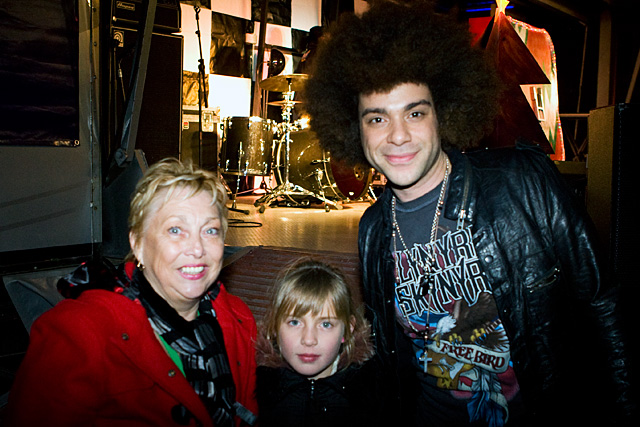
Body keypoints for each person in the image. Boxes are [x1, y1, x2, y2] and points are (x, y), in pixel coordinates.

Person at [303, 1, 635, 426]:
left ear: (444, 113)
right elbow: (395, 361)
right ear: (355, 129)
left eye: (415, 112)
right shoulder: (372, 230)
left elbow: (603, 305)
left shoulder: (522, 183)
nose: (398, 135)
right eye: (377, 118)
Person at [5, 158, 258, 426]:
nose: (197, 248)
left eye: (210, 230)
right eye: (175, 230)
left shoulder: (239, 319)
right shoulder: (78, 333)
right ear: (137, 244)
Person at [254, 258, 379, 427]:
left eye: (325, 324)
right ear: (275, 326)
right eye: (295, 322)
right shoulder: (258, 388)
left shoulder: (368, 394)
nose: (309, 339)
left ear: (347, 330)